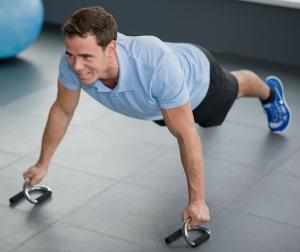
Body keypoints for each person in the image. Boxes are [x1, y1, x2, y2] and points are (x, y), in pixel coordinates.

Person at [23, 6, 291, 229]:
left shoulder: (154, 66)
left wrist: (197, 200)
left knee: (237, 87)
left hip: (200, 83)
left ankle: (269, 94)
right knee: (174, 117)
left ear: (111, 49)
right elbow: (63, 110)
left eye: (85, 57)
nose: (76, 66)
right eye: (71, 55)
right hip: (155, 102)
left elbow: (186, 136)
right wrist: (43, 163)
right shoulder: (73, 63)